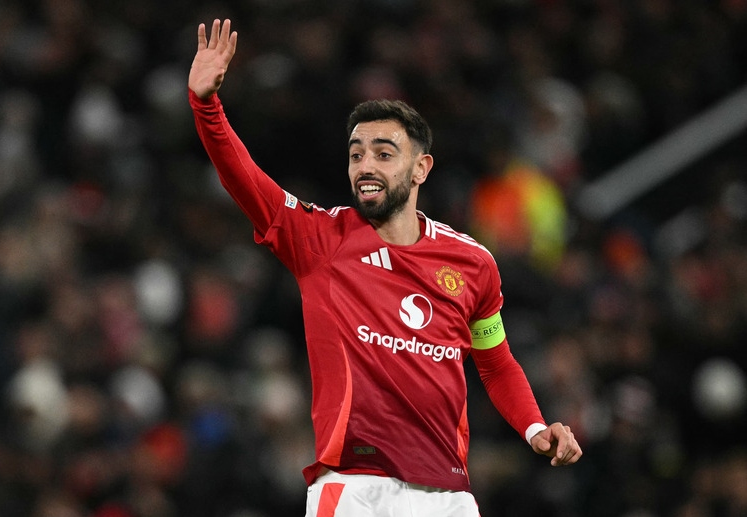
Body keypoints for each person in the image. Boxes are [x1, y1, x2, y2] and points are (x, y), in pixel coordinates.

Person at [188, 19, 582, 517]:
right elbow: (244, 179)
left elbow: (495, 362)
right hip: (354, 487)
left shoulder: (473, 264)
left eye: (383, 153)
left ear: (421, 168)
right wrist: (206, 105)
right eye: (356, 155)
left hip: (448, 496)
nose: (365, 166)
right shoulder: (321, 240)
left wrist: (534, 428)